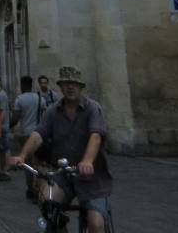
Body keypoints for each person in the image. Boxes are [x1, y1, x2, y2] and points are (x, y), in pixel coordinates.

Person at [8, 65, 113, 233]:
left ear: (80, 87)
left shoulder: (92, 108)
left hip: (92, 177)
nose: (70, 87)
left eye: (74, 84)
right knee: (47, 202)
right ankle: (60, 227)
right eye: (66, 84)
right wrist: (22, 155)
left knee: (96, 224)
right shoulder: (53, 110)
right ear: (60, 87)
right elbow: (38, 135)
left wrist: (87, 161)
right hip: (63, 174)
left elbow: (96, 135)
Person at [12, 76, 40, 200]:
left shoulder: (19, 99)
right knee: (37, 162)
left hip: (25, 134)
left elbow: (16, 117)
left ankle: (31, 188)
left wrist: (9, 126)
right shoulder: (39, 98)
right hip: (37, 134)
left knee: (28, 164)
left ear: (23, 85)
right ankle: (38, 187)